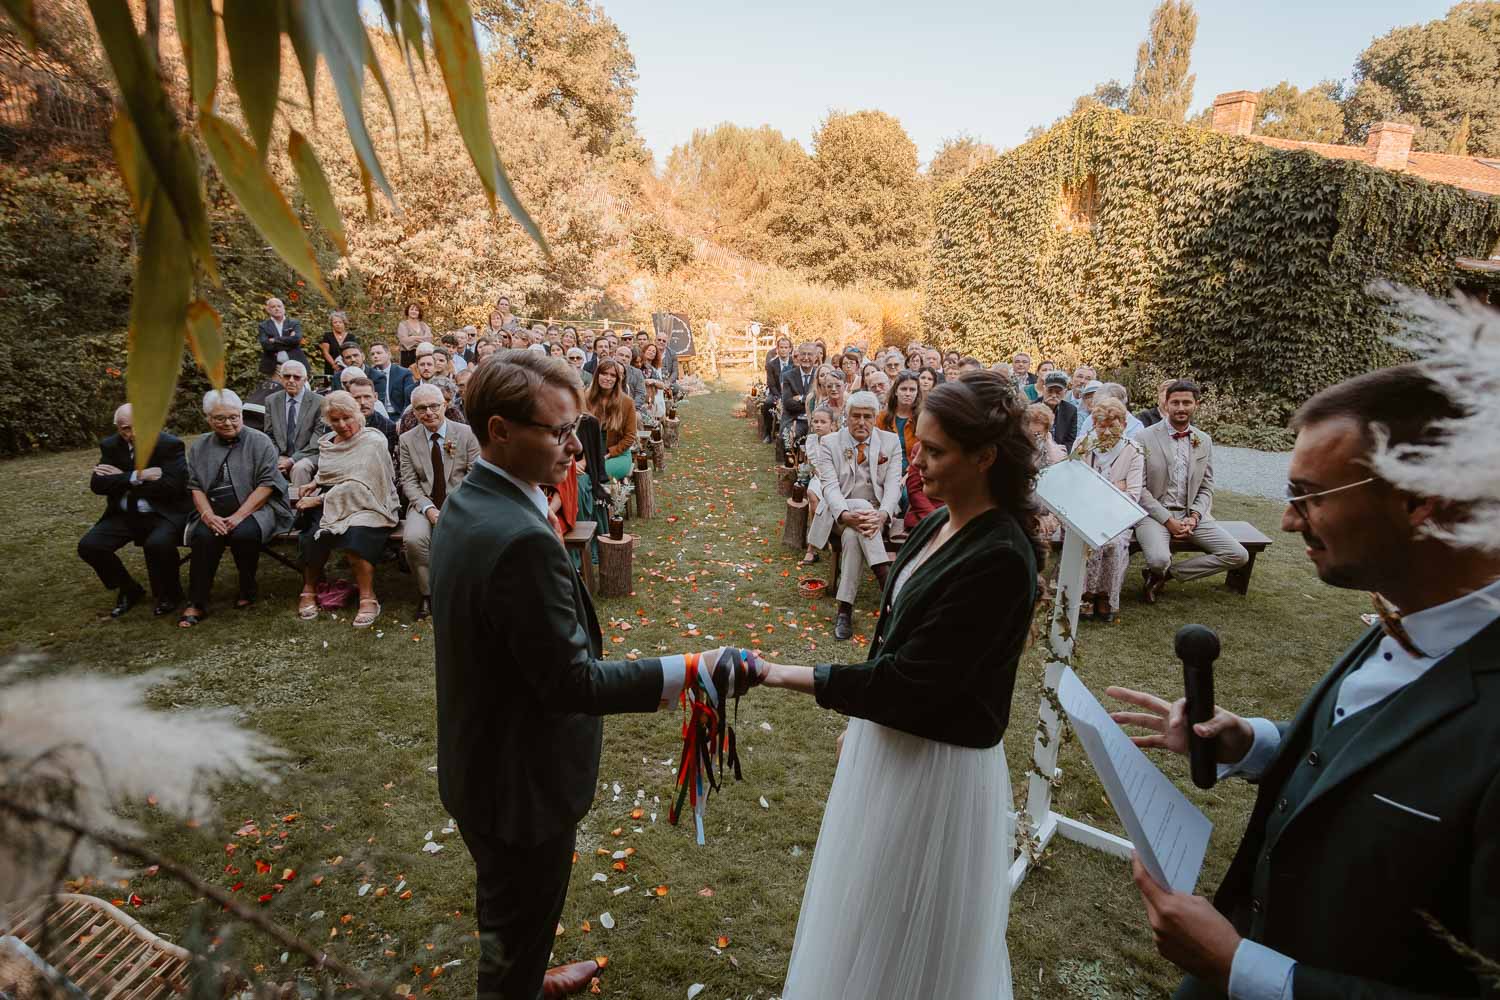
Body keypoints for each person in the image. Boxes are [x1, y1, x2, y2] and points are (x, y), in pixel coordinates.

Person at [1108, 362, 1500, 999]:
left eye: (1311, 497)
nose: (1289, 523)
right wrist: (1255, 742)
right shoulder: (1407, 611)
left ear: (1421, 500)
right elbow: (1374, 746)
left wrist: (1246, 971)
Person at [429, 351, 763, 1000]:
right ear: (499, 430)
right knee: (516, 917)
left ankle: (529, 974)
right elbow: (572, 684)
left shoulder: (473, 498)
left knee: (516, 915)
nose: (573, 446)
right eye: (557, 432)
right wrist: (693, 670)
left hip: (483, 761)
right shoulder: (515, 536)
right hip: (518, 785)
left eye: (576, 427)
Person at [758, 369, 1043, 1000]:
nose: (915, 458)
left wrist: (780, 673)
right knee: (866, 916)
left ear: (986, 457)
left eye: (935, 450)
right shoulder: (938, 522)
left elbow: (912, 683)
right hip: (891, 747)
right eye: (917, 442)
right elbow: (895, 631)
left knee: (912, 928)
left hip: (935, 773)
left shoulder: (999, 557)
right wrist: (864, 725)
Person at [180, 390, 293, 627]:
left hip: (258, 507)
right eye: (220, 418)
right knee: (203, 537)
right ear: (208, 418)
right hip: (214, 509)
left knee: (245, 534)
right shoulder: (200, 445)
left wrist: (239, 516)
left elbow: (267, 484)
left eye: (234, 416)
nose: (228, 423)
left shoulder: (260, 441)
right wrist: (207, 515)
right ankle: (197, 601)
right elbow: (195, 486)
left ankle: (247, 587)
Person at [1134, 380, 1248, 602]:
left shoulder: (1203, 440)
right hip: (1154, 514)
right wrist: (1168, 520)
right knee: (1158, 559)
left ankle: (1167, 576)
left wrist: (1195, 516)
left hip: (1191, 515)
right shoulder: (1144, 437)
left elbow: (1206, 486)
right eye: (1175, 402)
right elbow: (1139, 489)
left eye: (1187, 402)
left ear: (1196, 404)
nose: (1180, 408)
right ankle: (1158, 570)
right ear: (1165, 404)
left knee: (1238, 555)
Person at [292, 391, 399, 628]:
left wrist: (319, 500)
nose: (342, 424)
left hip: (370, 501)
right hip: (334, 499)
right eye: (335, 420)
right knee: (313, 535)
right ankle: (308, 588)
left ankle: (368, 597)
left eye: (347, 417)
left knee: (355, 536)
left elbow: (361, 483)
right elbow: (331, 472)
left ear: (358, 414)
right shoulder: (329, 442)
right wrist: (314, 483)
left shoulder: (374, 441)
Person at [807, 391, 904, 642]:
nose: (862, 422)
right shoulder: (830, 443)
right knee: (856, 512)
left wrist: (882, 515)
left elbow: (894, 485)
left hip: (874, 519)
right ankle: (888, 586)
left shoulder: (890, 442)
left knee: (853, 536)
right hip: (838, 513)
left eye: (868, 417)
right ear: (846, 418)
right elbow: (829, 487)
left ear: (875, 418)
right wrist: (845, 514)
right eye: (856, 416)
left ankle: (844, 610)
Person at [78, 403, 191, 617]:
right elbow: (98, 485)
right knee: (90, 546)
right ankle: (128, 588)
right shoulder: (111, 446)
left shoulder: (170, 445)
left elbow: (172, 487)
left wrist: (121, 478)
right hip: (125, 514)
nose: (133, 434)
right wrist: (138, 476)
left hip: (163, 512)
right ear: (117, 428)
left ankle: (170, 594)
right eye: (125, 429)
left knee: (157, 543)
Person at [398, 384, 480, 621]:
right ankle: (428, 594)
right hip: (424, 503)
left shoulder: (466, 433)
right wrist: (429, 509)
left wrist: (453, 506)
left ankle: (463, 593)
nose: (429, 412)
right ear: (414, 412)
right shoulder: (407, 440)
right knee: (414, 539)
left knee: (469, 537)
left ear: (445, 405)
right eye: (421, 408)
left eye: (434, 406)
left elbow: (475, 475)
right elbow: (409, 481)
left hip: (463, 501)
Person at [1078, 397, 1145, 622]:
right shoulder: (1083, 444)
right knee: (1088, 538)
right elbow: (1076, 484)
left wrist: (1098, 487)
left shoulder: (1134, 451)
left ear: (1124, 425)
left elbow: (1133, 494)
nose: (1105, 433)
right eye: (1101, 426)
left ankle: (1105, 597)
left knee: (1112, 542)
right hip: (1084, 511)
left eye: (1112, 426)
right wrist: (1114, 486)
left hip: (1117, 515)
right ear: (1094, 425)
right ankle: (1084, 595)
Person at [263, 360, 325, 498]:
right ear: (280, 378)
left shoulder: (319, 402)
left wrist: (292, 460)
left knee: (299, 468)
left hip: (310, 454)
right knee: (265, 465)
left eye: (296, 377)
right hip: (281, 455)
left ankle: (300, 511)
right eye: (287, 376)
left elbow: (316, 442)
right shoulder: (271, 401)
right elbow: (269, 435)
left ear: (305, 380)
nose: (291, 380)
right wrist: (276, 457)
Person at [583, 359, 637, 481]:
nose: (608, 378)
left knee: (594, 476)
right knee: (581, 477)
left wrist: (610, 453)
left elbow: (630, 436)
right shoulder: (586, 398)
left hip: (617, 454)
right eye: (604, 373)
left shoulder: (627, 402)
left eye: (612, 375)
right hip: (591, 454)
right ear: (597, 375)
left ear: (617, 379)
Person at [800, 406, 839, 566]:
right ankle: (814, 544)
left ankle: (813, 547)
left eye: (823, 422)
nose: (818, 425)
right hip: (818, 477)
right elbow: (812, 463)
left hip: (835, 479)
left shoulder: (837, 440)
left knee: (823, 503)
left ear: (832, 425)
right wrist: (809, 470)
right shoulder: (811, 440)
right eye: (815, 421)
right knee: (811, 493)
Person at [877, 370, 920, 476]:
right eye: (903, 389)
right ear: (896, 391)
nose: (908, 393)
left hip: (914, 470)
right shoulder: (883, 417)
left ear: (917, 392)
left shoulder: (922, 418)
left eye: (912, 390)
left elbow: (924, 454)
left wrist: (909, 473)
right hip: (886, 470)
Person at [257, 297, 309, 376]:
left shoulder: (293, 323)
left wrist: (274, 340)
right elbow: (266, 345)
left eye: (279, 306)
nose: (277, 309)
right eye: (273, 307)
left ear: (283, 308)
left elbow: (297, 339)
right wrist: (289, 341)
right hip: (275, 367)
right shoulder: (263, 326)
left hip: (295, 364)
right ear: (268, 310)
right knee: (277, 388)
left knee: (298, 387)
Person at [366, 341, 415, 416]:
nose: (375, 356)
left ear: (389, 354)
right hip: (376, 416)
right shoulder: (368, 375)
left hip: (398, 414)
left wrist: (402, 418)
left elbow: (409, 400)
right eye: (372, 354)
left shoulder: (404, 373)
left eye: (379, 353)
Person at [1040, 370, 1079, 453]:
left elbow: (1070, 440)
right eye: (1050, 391)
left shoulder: (1070, 411)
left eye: (1058, 392)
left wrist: (1060, 453)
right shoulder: (1031, 408)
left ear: (1065, 392)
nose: (1054, 395)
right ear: (1043, 389)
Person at [1024, 402, 1067, 467]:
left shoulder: (1051, 450)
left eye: (1037, 434)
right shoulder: (1018, 441)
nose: (1032, 437)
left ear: (1046, 431)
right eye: (1029, 432)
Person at [318, 310, 358, 376]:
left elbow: (354, 352)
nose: (338, 324)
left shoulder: (351, 337)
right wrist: (334, 364)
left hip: (348, 367)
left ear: (344, 323)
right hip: (331, 367)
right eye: (335, 322)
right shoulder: (327, 335)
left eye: (340, 322)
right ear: (332, 324)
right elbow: (325, 352)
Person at [613, 344, 649, 410]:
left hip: (631, 408)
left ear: (630, 360)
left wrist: (631, 408)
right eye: (621, 355)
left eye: (627, 357)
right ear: (615, 355)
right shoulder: (608, 369)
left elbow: (641, 394)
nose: (624, 358)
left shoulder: (637, 373)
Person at [396, 303, 432, 368]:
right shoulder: (403, 324)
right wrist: (421, 339)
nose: (414, 311)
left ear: (419, 312)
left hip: (422, 355)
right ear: (408, 311)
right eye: (412, 309)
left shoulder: (423, 325)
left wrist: (412, 337)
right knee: (407, 375)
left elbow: (428, 339)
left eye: (416, 310)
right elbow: (404, 341)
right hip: (407, 355)